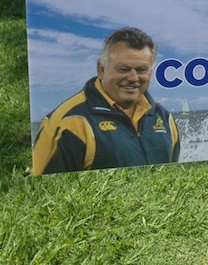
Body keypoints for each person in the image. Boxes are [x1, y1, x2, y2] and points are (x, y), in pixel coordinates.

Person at [32, 28, 181, 175]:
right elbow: (43, 190)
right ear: (101, 69)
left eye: (142, 70)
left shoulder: (165, 119)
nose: (133, 77)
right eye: (123, 69)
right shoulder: (68, 123)